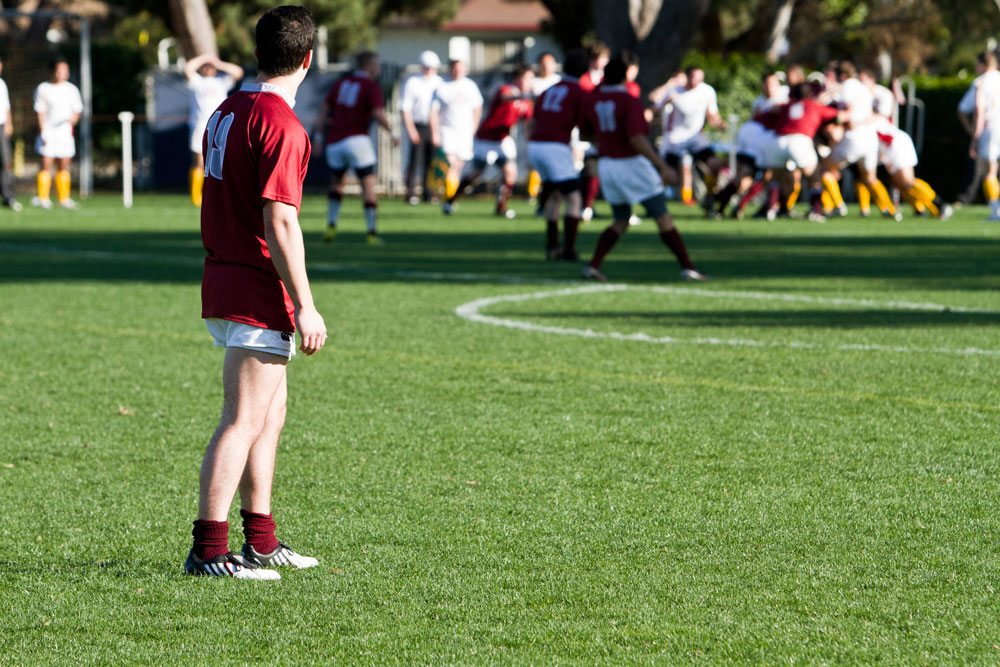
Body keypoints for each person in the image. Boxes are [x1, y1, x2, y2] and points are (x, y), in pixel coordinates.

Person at [187, 5, 327, 580]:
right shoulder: (281, 123)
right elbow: (281, 220)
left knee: (270, 413)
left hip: (228, 274)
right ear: (308, 59)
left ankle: (261, 542)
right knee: (243, 418)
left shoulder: (228, 108)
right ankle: (209, 550)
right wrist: (307, 304)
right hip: (254, 284)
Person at [580, 56, 706, 283]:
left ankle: (593, 265)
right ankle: (688, 267)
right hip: (631, 164)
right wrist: (662, 166)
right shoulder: (628, 100)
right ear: (626, 75)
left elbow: (584, 133)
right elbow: (636, 139)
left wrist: (607, 140)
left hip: (607, 164)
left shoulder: (593, 100)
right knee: (662, 217)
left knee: (621, 219)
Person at [316, 50, 398, 243]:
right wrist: (392, 133)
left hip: (335, 141)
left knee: (337, 184)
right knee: (368, 185)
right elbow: (378, 113)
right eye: (376, 65)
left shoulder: (341, 83)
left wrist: (318, 137)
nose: (379, 69)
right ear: (368, 66)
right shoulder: (371, 86)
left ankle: (331, 225)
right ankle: (371, 232)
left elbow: (324, 109)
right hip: (357, 141)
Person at [445, 64, 533, 218]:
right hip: (486, 139)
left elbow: (527, 122)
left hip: (502, 140)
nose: (530, 82)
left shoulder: (526, 102)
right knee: (475, 174)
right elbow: (504, 97)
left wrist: (530, 137)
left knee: (510, 173)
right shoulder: (507, 90)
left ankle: (501, 207)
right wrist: (521, 97)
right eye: (527, 78)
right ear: (518, 79)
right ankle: (451, 201)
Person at [528, 48, 590, 260]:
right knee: (574, 199)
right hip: (555, 146)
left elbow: (534, 120)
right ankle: (568, 250)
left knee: (555, 196)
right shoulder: (579, 92)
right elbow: (584, 127)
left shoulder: (549, 90)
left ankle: (552, 246)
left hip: (536, 145)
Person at [820, 61, 898, 219]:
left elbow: (847, 113)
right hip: (870, 138)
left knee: (824, 170)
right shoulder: (863, 88)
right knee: (870, 178)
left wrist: (832, 120)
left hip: (853, 137)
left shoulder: (846, 87)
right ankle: (891, 210)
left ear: (842, 76)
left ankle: (838, 205)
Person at [653, 65, 727, 215]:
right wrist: (666, 102)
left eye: (699, 78)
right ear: (687, 77)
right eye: (693, 77)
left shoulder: (707, 91)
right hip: (675, 138)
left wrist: (719, 123)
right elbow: (655, 109)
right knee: (669, 175)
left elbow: (712, 114)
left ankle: (709, 198)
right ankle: (655, 203)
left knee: (715, 164)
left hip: (696, 137)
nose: (696, 81)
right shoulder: (674, 91)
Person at [185, 54, 244, 207]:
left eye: (210, 66)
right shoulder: (197, 81)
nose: (208, 69)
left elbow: (238, 72)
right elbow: (187, 69)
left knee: (220, 162)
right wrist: (203, 58)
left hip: (219, 126)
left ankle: (217, 194)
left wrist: (218, 63)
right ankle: (196, 197)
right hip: (199, 126)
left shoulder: (221, 82)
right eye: (206, 66)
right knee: (200, 161)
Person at [429, 59, 483, 214]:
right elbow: (433, 111)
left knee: (458, 167)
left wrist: (473, 127)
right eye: (455, 68)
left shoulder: (470, 86)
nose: (457, 71)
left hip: (465, 132)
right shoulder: (442, 87)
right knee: (451, 164)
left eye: (460, 68)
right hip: (447, 130)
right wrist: (435, 133)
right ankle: (449, 198)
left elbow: (478, 108)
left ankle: (450, 198)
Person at [31, 57, 83, 209]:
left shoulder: (72, 89)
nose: (63, 73)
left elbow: (77, 111)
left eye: (65, 70)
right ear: (52, 71)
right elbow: (40, 111)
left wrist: (70, 123)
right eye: (60, 70)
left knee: (64, 165)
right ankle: (43, 198)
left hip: (64, 132)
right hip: (48, 131)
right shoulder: (43, 88)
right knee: (46, 164)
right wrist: (43, 132)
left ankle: (64, 199)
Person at [400, 50, 443, 205]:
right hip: (418, 125)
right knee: (415, 160)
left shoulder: (439, 83)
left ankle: (429, 192)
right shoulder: (412, 82)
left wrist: (437, 131)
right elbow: (406, 108)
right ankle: (410, 192)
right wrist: (411, 130)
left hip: (435, 126)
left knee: (432, 161)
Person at [578, 42, 611, 220]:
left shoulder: (607, 79)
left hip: (603, 129)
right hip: (587, 130)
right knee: (588, 168)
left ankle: (588, 205)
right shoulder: (585, 80)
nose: (605, 62)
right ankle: (585, 205)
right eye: (602, 58)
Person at [971, 50, 1000, 220]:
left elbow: (979, 111)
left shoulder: (981, 82)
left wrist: (975, 138)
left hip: (991, 129)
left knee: (989, 171)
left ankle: (996, 210)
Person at [0, 55, 20, 211]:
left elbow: (6, 106)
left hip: (1, 126)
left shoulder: (2, 84)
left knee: (5, 162)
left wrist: (9, 123)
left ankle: (8, 197)